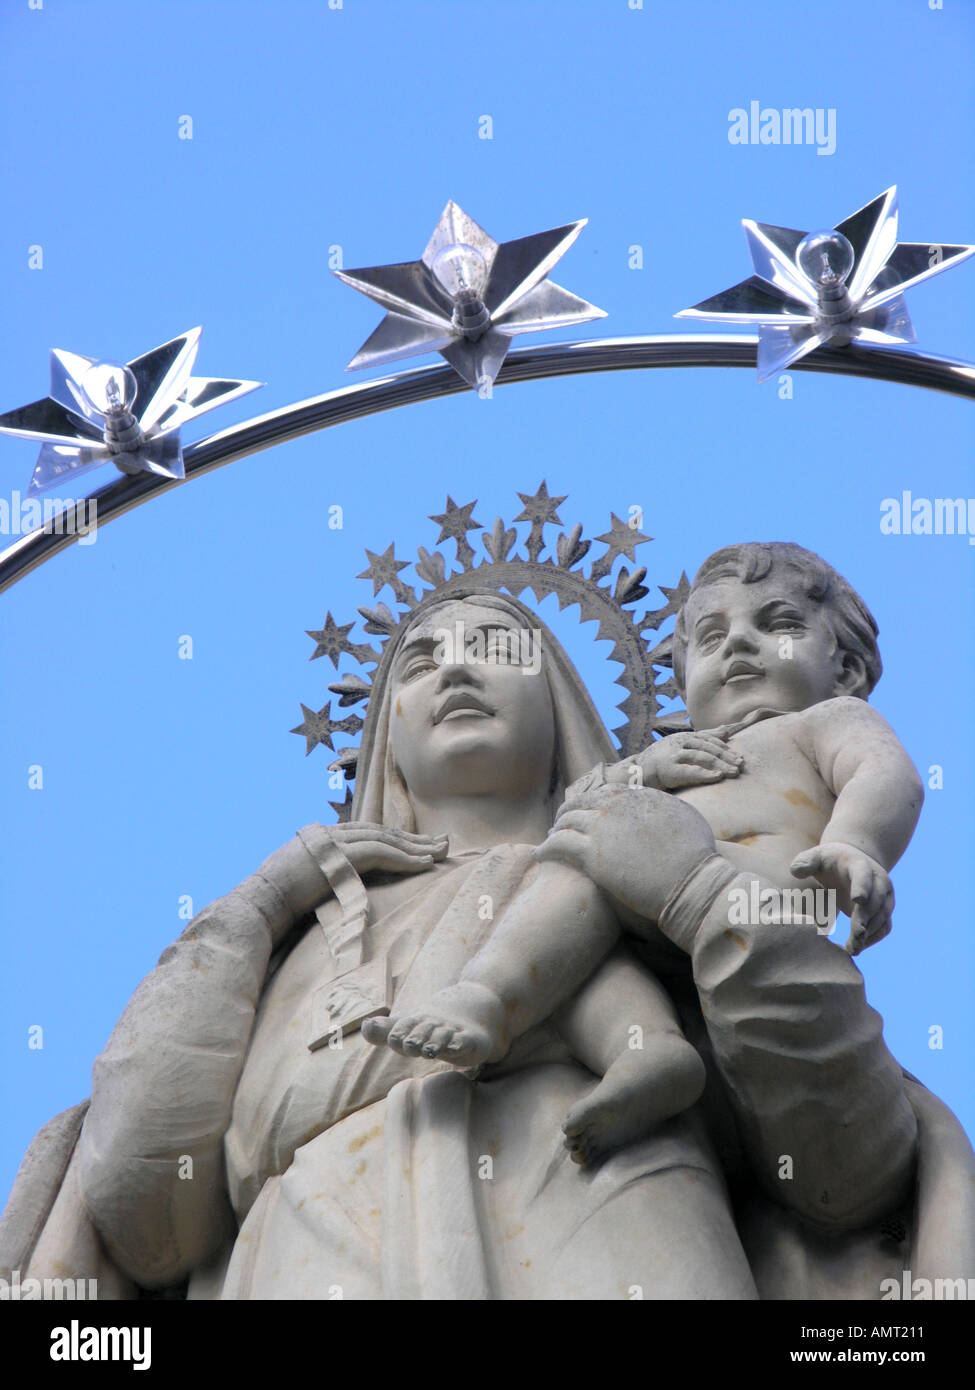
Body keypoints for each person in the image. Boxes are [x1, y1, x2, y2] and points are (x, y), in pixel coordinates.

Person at [365, 543, 924, 1171]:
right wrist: (647, 768)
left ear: (845, 668)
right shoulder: (680, 755)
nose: (739, 645)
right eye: (711, 638)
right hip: (643, 909)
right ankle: (624, 1041)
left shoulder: (823, 723)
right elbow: (581, 804)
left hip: (758, 894)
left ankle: (498, 1000)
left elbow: (884, 775)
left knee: (579, 872)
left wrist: (853, 843)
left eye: (778, 625)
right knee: (569, 904)